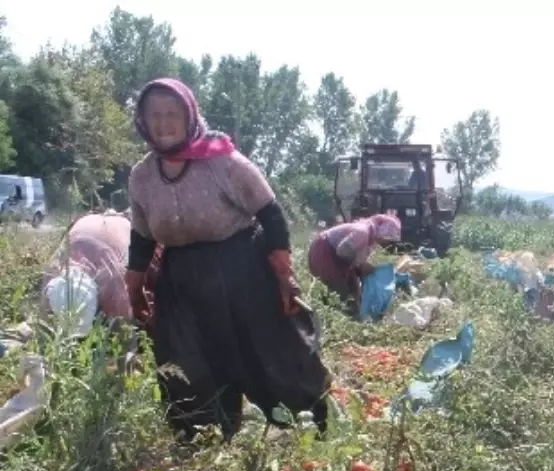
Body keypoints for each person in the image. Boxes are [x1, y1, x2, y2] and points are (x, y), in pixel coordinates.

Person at [123, 77, 330, 442]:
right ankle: (203, 439)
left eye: (172, 113)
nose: (163, 122)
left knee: (269, 353)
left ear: (189, 116)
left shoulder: (223, 161)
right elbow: (141, 236)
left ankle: (305, 430)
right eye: (154, 114)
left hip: (242, 267)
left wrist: (284, 275)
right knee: (188, 362)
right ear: (142, 120)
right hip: (181, 278)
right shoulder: (142, 176)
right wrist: (135, 286)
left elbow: (270, 214)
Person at [41, 210, 133, 333]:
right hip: (87, 223)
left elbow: (125, 329)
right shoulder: (53, 271)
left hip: (120, 227)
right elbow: (43, 317)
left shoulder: (112, 279)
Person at [306, 214, 404, 313]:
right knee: (339, 291)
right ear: (383, 232)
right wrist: (360, 265)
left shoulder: (371, 237)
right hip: (325, 251)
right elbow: (342, 251)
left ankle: (354, 313)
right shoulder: (362, 232)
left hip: (338, 257)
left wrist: (361, 266)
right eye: (387, 239)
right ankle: (337, 315)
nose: (387, 243)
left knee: (355, 291)